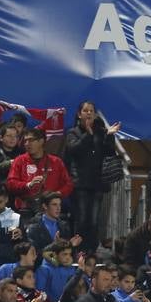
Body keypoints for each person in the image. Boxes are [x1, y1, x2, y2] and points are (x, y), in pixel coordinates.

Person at [63, 101, 123, 255]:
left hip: (97, 183)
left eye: (91, 111)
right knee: (81, 219)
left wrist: (109, 136)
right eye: (85, 110)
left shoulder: (100, 132)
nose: (88, 113)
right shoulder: (72, 132)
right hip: (80, 184)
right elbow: (73, 150)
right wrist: (88, 135)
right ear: (79, 114)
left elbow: (109, 152)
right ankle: (78, 250)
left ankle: (92, 250)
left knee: (95, 220)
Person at [7, 129, 72, 213]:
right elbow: (10, 184)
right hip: (26, 209)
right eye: (25, 141)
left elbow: (68, 184)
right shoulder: (19, 160)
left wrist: (57, 194)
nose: (27, 144)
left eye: (31, 140)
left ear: (41, 141)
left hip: (51, 210)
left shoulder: (56, 161)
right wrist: (28, 185)